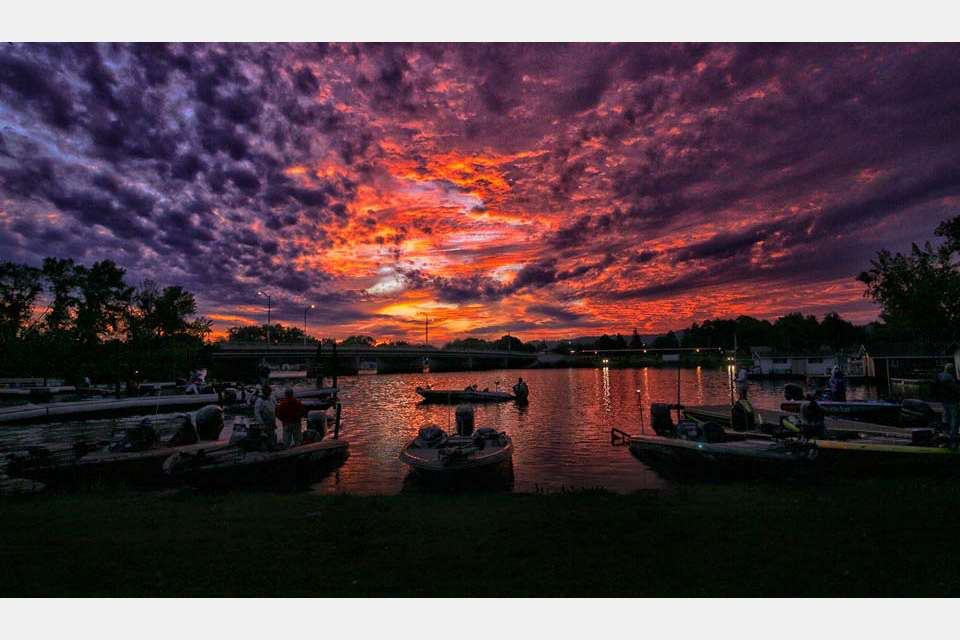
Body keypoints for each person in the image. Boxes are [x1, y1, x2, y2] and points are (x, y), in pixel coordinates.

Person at [935, 363, 960, 438]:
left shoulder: (939, 376)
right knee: (954, 418)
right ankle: (953, 434)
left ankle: (946, 433)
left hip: (944, 400)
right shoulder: (950, 378)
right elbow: (955, 389)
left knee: (946, 416)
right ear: (951, 370)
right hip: (952, 400)